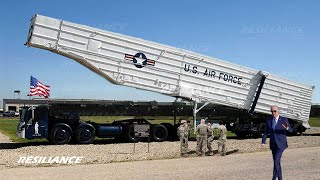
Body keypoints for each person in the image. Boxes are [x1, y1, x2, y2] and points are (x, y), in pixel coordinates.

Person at [261, 105, 293, 180]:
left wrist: (287, 128)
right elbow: (265, 132)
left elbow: (291, 130)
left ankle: (273, 178)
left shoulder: (283, 119)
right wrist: (263, 142)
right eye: (272, 111)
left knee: (276, 160)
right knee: (276, 162)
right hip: (273, 144)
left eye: (275, 111)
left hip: (281, 144)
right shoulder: (269, 120)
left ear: (278, 111)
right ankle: (280, 178)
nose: (273, 113)